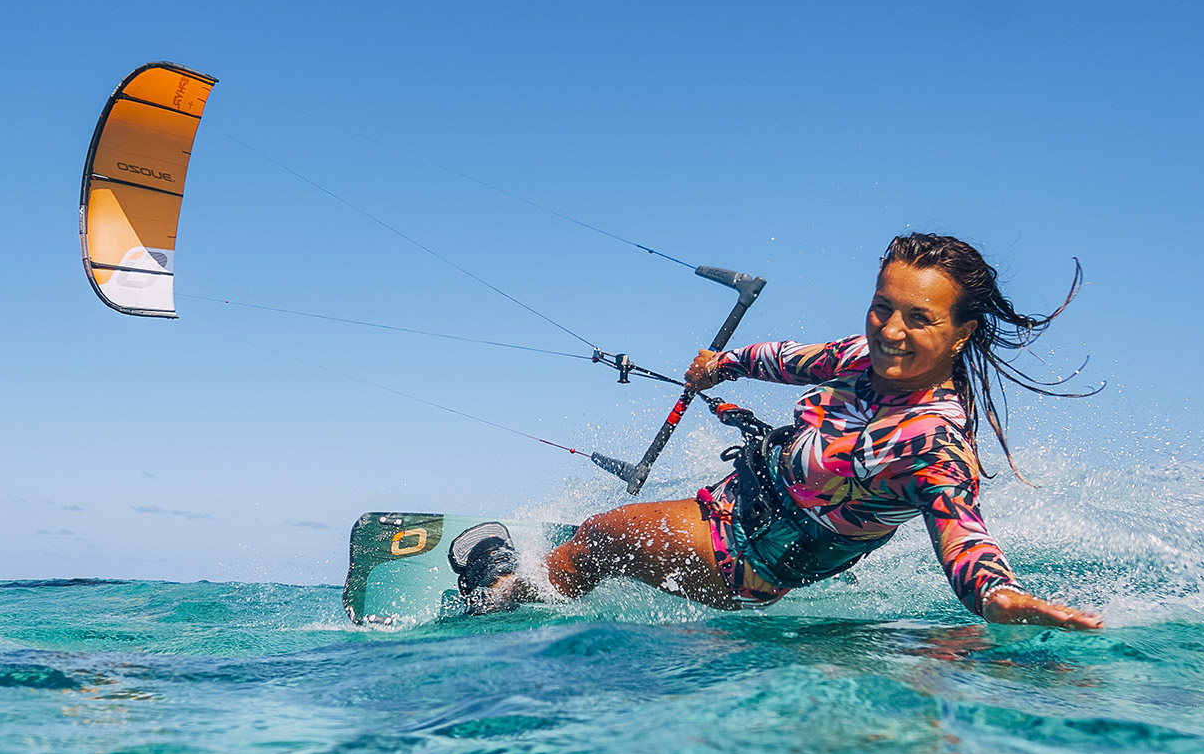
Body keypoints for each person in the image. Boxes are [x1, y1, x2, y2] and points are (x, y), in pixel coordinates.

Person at [448, 233, 1104, 630]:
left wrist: (998, 595)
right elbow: (791, 359)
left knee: (597, 538)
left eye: (919, 318)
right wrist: (723, 365)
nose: (891, 329)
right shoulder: (865, 356)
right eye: (883, 307)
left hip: (738, 556)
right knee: (625, 543)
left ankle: (501, 594)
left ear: (960, 332)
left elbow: (965, 537)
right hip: (745, 510)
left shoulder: (933, 444)